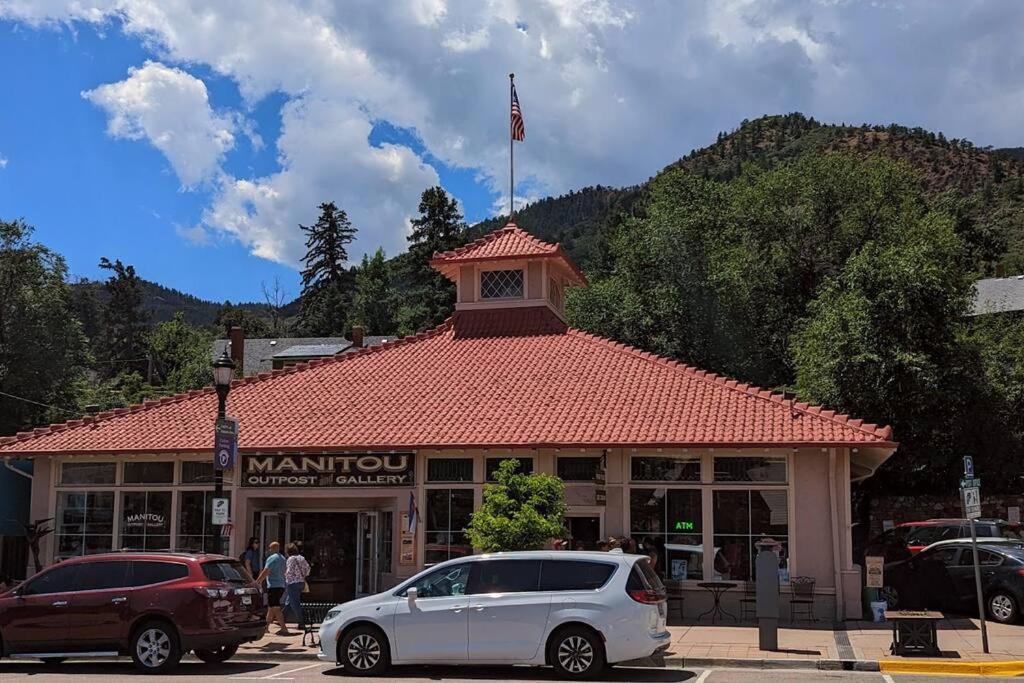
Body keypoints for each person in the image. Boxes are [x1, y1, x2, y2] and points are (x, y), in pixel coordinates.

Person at [256, 541, 291, 635]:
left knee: (275, 607)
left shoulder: (272, 558)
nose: (269, 550)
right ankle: (266, 627)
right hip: (281, 585)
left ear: (274, 548)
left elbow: (266, 571)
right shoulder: (283, 558)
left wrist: (258, 581)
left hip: (273, 585)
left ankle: (284, 628)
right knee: (271, 607)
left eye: (270, 548)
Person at [284, 543, 311, 633]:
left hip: (292, 583)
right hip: (301, 582)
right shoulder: (301, 558)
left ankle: (301, 623)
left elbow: (289, 571)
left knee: (295, 604)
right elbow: (308, 569)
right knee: (289, 601)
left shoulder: (290, 559)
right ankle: (281, 618)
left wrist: (286, 579)